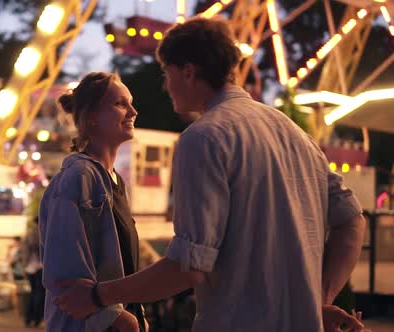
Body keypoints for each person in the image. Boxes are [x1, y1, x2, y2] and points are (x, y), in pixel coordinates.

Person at [54, 18, 367, 332]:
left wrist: (98, 296)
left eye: (167, 73)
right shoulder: (295, 133)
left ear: (188, 71)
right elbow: (352, 221)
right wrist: (318, 301)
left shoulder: (203, 138)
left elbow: (189, 267)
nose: (165, 85)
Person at [38, 72, 146, 331]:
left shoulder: (114, 181)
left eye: (131, 102)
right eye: (121, 104)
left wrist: (136, 314)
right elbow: (64, 270)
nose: (133, 111)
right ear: (92, 117)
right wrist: (117, 318)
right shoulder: (80, 176)